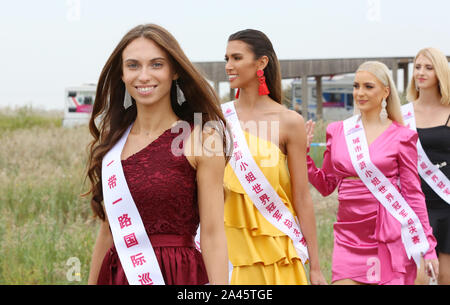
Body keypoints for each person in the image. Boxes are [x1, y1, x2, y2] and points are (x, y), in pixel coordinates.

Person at [85, 24, 229, 285]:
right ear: (121, 73)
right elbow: (108, 231)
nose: (143, 75)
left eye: (156, 64)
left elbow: (212, 233)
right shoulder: (114, 143)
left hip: (179, 275)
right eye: (133, 65)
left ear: (174, 71)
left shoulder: (201, 139)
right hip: (121, 274)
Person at [305, 61, 438, 285]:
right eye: (356, 86)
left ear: (385, 92)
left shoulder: (401, 136)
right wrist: (303, 155)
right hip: (348, 235)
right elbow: (325, 185)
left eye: (368, 86)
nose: (360, 93)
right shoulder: (338, 131)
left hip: (390, 235)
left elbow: (413, 195)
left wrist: (429, 248)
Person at [223, 29, 327, 285]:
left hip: (278, 249)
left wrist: (315, 268)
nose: (229, 66)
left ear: (261, 62)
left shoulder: (289, 122)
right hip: (228, 250)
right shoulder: (217, 118)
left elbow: (301, 196)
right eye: (226, 58)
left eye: (236, 58)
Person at [403, 47, 450, 285]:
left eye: (428, 68)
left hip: (448, 205)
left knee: (445, 278)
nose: (421, 72)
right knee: (419, 278)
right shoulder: (401, 115)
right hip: (416, 206)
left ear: (440, 73)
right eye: (418, 67)